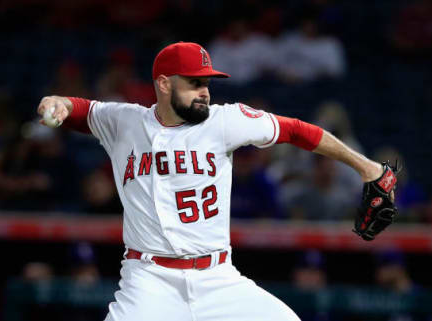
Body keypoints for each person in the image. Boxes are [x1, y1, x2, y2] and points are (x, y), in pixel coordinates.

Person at [36, 42, 388, 321]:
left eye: (206, 82)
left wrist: (366, 167)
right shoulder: (123, 121)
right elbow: (77, 107)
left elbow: (297, 130)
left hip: (218, 278)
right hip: (149, 281)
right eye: (194, 83)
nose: (205, 91)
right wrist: (55, 102)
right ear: (163, 84)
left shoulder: (225, 120)